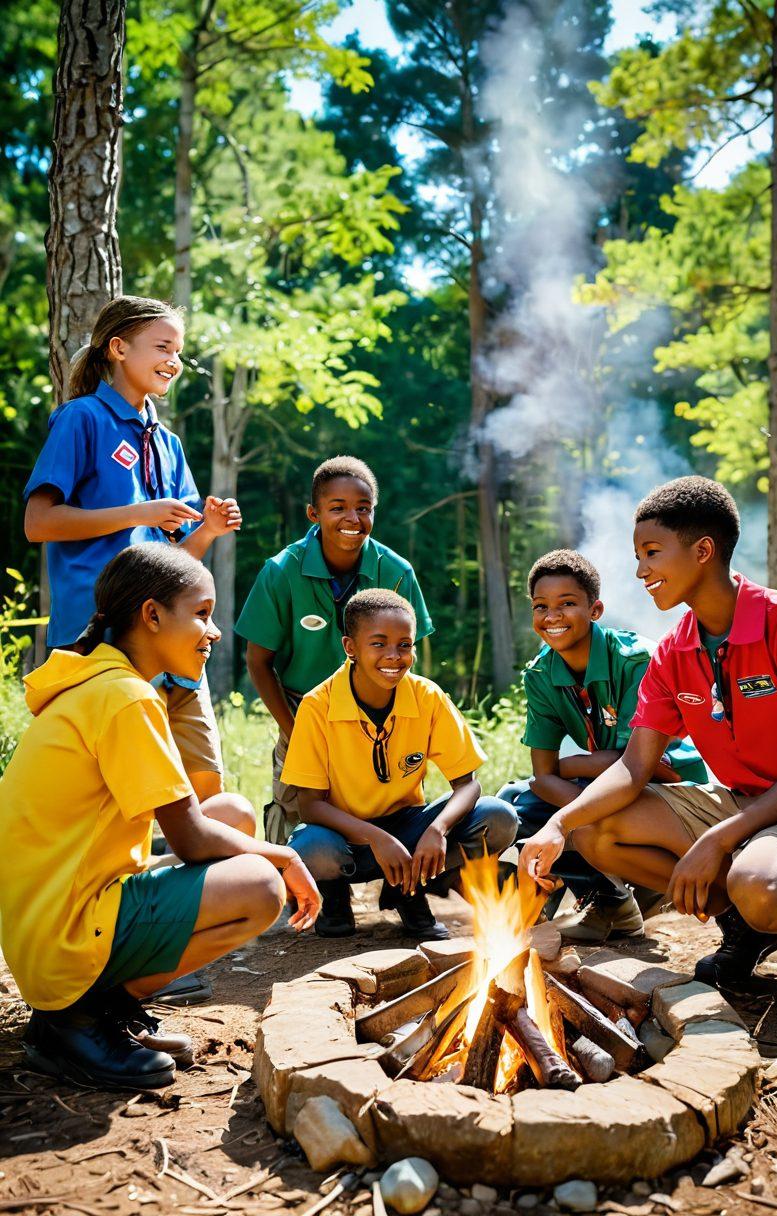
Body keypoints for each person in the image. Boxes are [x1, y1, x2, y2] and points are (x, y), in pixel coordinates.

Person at [0, 543, 321, 1091]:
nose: (214, 630)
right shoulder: (127, 698)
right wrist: (285, 852)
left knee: (234, 814)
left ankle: (89, 1008)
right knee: (262, 886)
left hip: (43, 916)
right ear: (151, 616)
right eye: (201, 613)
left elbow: (196, 821)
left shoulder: (101, 681)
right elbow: (192, 840)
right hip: (63, 933)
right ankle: (79, 1020)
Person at [520, 477, 777, 1012]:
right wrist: (558, 825)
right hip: (742, 802)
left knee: (761, 884)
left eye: (651, 553)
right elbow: (633, 766)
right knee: (596, 831)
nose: (640, 571)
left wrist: (717, 840)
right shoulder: (674, 650)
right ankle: (744, 927)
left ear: (703, 551)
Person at [24, 295, 239, 806]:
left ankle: (203, 883)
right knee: (102, 790)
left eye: (180, 352)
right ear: (118, 348)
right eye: (163, 347)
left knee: (203, 786)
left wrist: (206, 531)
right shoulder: (81, 419)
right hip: (98, 638)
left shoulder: (169, 443)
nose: (174, 361)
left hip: (173, 636)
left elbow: (177, 561)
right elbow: (38, 523)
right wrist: (140, 513)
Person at [281, 588, 518, 938]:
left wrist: (436, 830)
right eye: (378, 644)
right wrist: (377, 838)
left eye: (404, 645)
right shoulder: (319, 705)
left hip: (408, 829)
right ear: (350, 648)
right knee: (310, 849)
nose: (394, 656)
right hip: (343, 835)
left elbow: (467, 784)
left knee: (497, 817)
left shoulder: (427, 697)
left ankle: (408, 889)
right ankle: (333, 896)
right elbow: (310, 806)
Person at [498, 549, 706, 942]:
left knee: (578, 810)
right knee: (515, 802)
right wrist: (573, 792)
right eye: (541, 606)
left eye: (567, 604)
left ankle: (637, 891)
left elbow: (641, 766)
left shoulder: (636, 660)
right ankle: (606, 900)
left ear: (595, 610)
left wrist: (573, 766)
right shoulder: (541, 674)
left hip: (669, 785)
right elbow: (543, 777)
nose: (552, 616)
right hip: (613, 780)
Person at [236, 455, 433, 845]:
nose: (352, 519)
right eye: (337, 508)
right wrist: (293, 731)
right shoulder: (280, 571)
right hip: (301, 705)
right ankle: (295, 890)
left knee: (382, 800)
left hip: (377, 709)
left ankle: (394, 884)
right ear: (313, 513)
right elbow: (258, 661)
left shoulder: (397, 573)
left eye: (363, 509)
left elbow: (409, 657)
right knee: (296, 807)